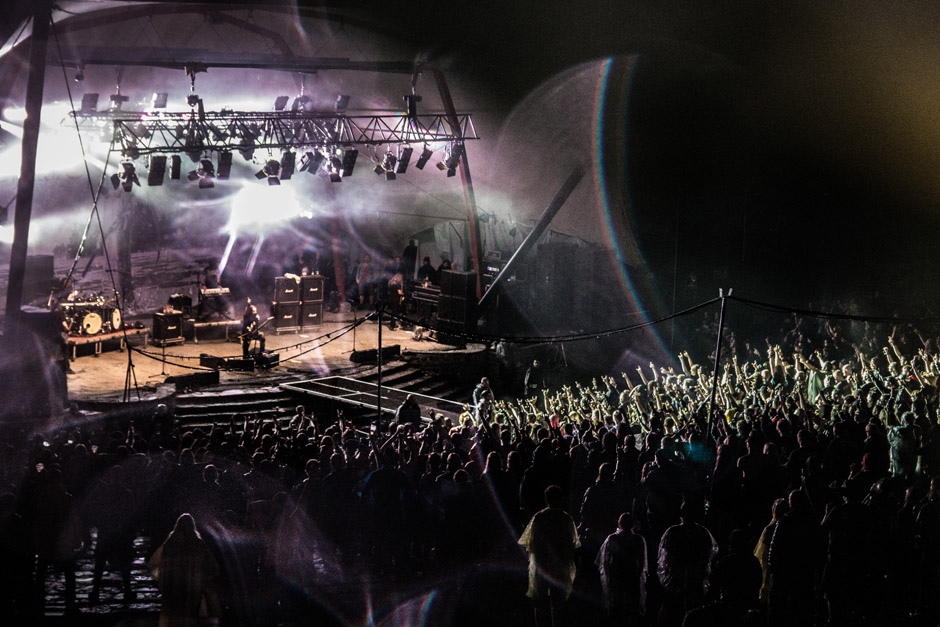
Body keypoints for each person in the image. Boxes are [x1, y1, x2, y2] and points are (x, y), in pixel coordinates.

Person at [518, 485, 580, 627]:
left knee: (540, 601)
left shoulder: (539, 517)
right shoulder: (565, 518)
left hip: (541, 562)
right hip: (559, 563)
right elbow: (572, 542)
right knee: (557, 601)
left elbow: (530, 542)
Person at [149, 513, 219, 627]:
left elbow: (157, 564)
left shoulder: (169, 544)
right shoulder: (199, 544)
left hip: (172, 588)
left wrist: (163, 580)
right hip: (192, 590)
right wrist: (201, 579)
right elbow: (213, 567)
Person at [596, 512, 648, 626]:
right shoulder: (638, 540)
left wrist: (608, 578)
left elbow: (605, 561)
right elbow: (642, 562)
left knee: (617, 607)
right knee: (631, 607)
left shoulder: (613, 538)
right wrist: (638, 577)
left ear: (620, 523)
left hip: (617, 576)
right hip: (632, 575)